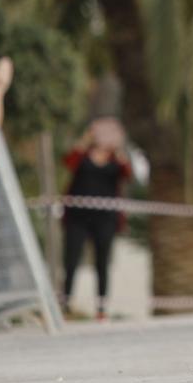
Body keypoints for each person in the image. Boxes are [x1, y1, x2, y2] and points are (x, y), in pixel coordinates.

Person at [61, 118, 133, 319]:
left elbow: (128, 174)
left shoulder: (115, 160)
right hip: (78, 217)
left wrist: (117, 149)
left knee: (102, 263)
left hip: (105, 219)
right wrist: (85, 140)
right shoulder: (83, 155)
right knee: (71, 260)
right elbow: (68, 162)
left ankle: (101, 307)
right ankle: (65, 303)